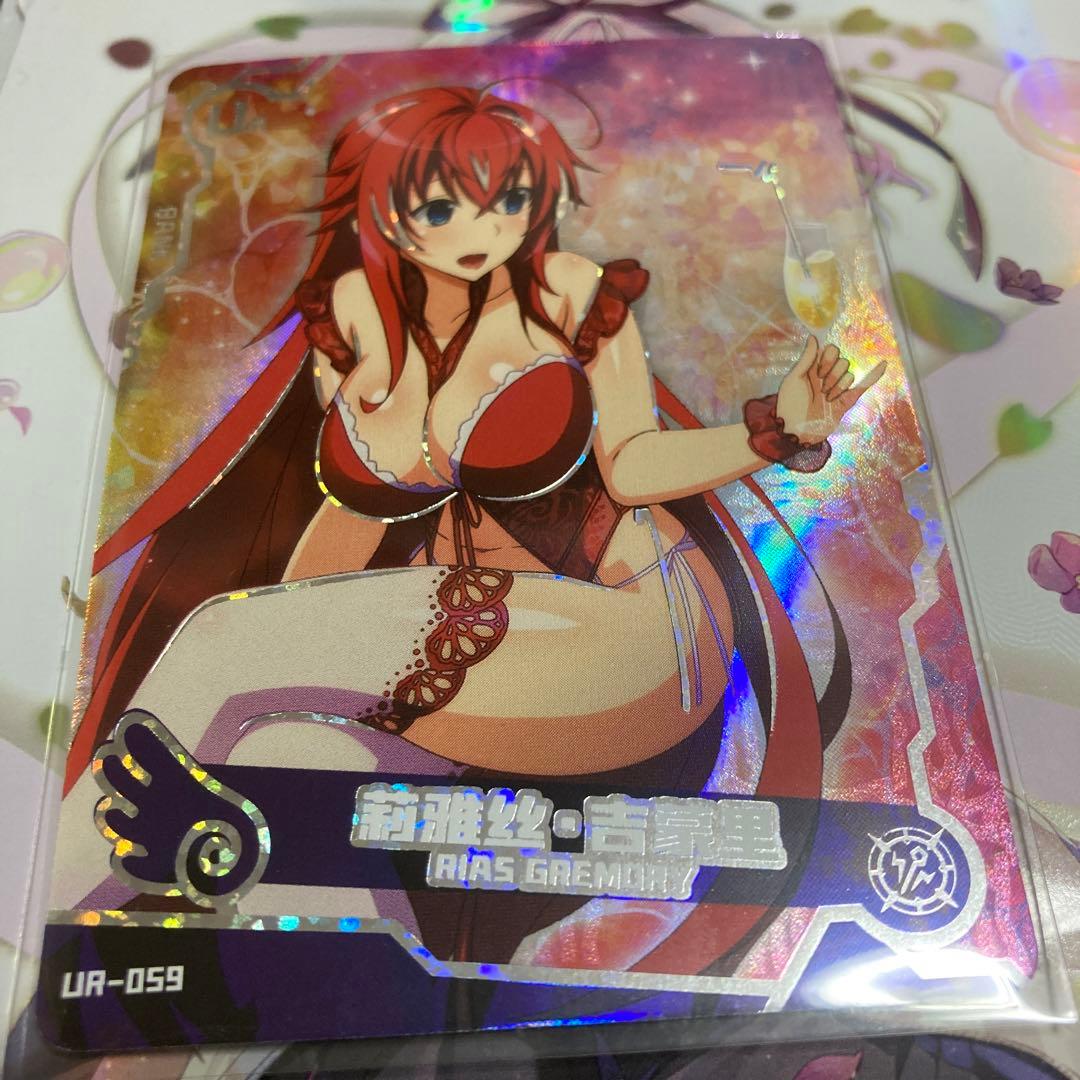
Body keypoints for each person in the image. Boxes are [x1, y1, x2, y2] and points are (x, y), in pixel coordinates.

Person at [58, 84, 882, 973]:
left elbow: (634, 465)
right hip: (483, 653)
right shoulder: (354, 317)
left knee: (221, 637)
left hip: (628, 630)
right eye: (445, 207)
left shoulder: (567, 293)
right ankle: (358, 996)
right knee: (289, 756)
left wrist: (771, 437)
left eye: (510, 199)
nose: (485, 229)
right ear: (385, 209)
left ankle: (46, 920)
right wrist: (278, 661)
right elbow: (350, 520)